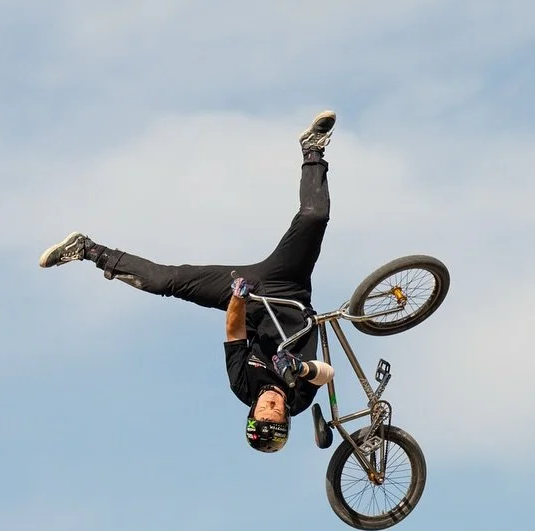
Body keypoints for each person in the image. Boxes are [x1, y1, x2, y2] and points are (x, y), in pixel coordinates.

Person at [37, 111, 341, 453]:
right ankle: (313, 149)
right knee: (315, 217)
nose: (272, 406)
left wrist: (238, 298)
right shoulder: (298, 399)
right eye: (277, 414)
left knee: (166, 281)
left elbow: (234, 334)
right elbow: (326, 374)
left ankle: (87, 250)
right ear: (286, 416)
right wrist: (301, 368)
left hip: (250, 297)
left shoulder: (243, 386)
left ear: (252, 412)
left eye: (264, 412)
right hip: (290, 289)